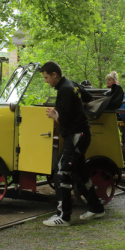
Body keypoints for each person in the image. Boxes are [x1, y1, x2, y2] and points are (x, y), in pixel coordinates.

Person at [40, 61, 105, 227]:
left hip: (77, 135)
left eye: (47, 77)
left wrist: (55, 116)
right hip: (81, 134)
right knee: (79, 175)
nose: (46, 81)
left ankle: (63, 216)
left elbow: (66, 120)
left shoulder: (65, 90)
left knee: (62, 172)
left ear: (54, 74)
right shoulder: (72, 85)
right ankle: (96, 208)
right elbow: (88, 97)